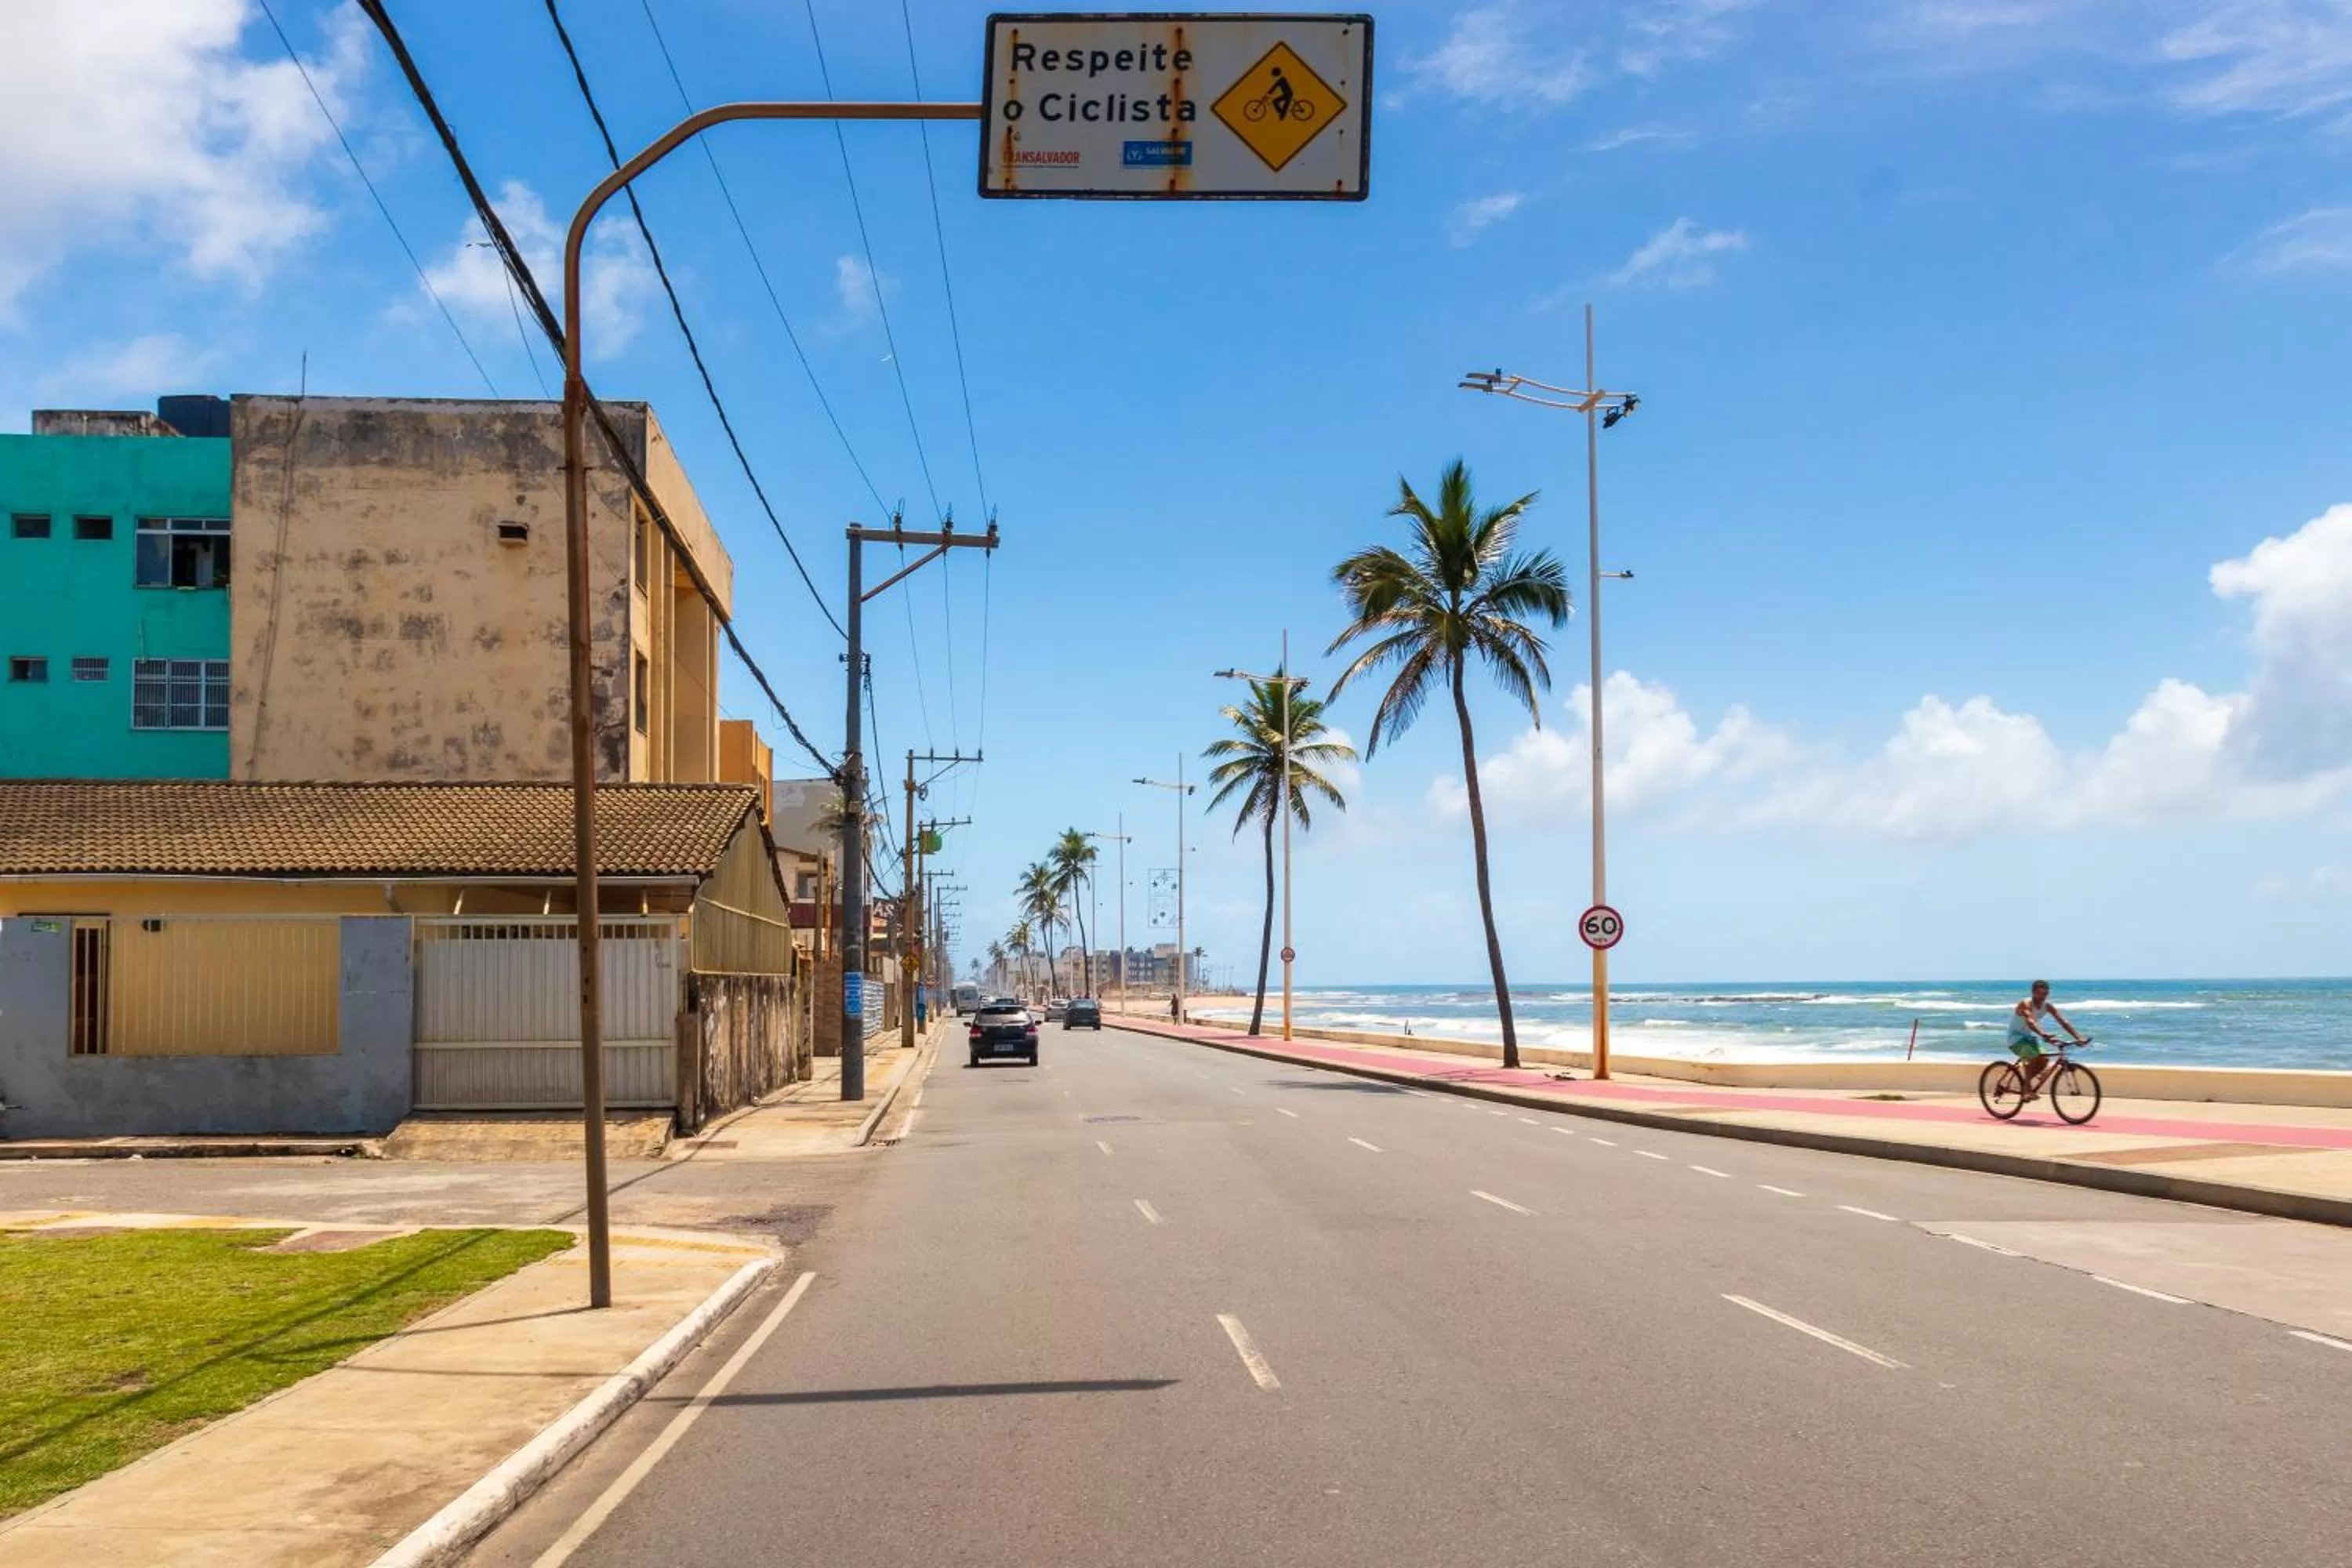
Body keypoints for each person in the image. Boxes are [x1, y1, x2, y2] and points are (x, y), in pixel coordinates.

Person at [2006, 980, 2084, 1100]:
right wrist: (2044, 1035)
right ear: (2033, 992)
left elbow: (2063, 1021)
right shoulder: (2025, 1004)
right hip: (2015, 1038)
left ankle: (2024, 1084)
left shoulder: (2047, 1006)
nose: (2042, 997)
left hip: (2028, 1037)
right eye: (2039, 993)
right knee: (2032, 1056)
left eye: (2045, 994)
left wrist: (2078, 1037)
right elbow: (2031, 1022)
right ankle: (2027, 1091)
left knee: (2044, 1059)